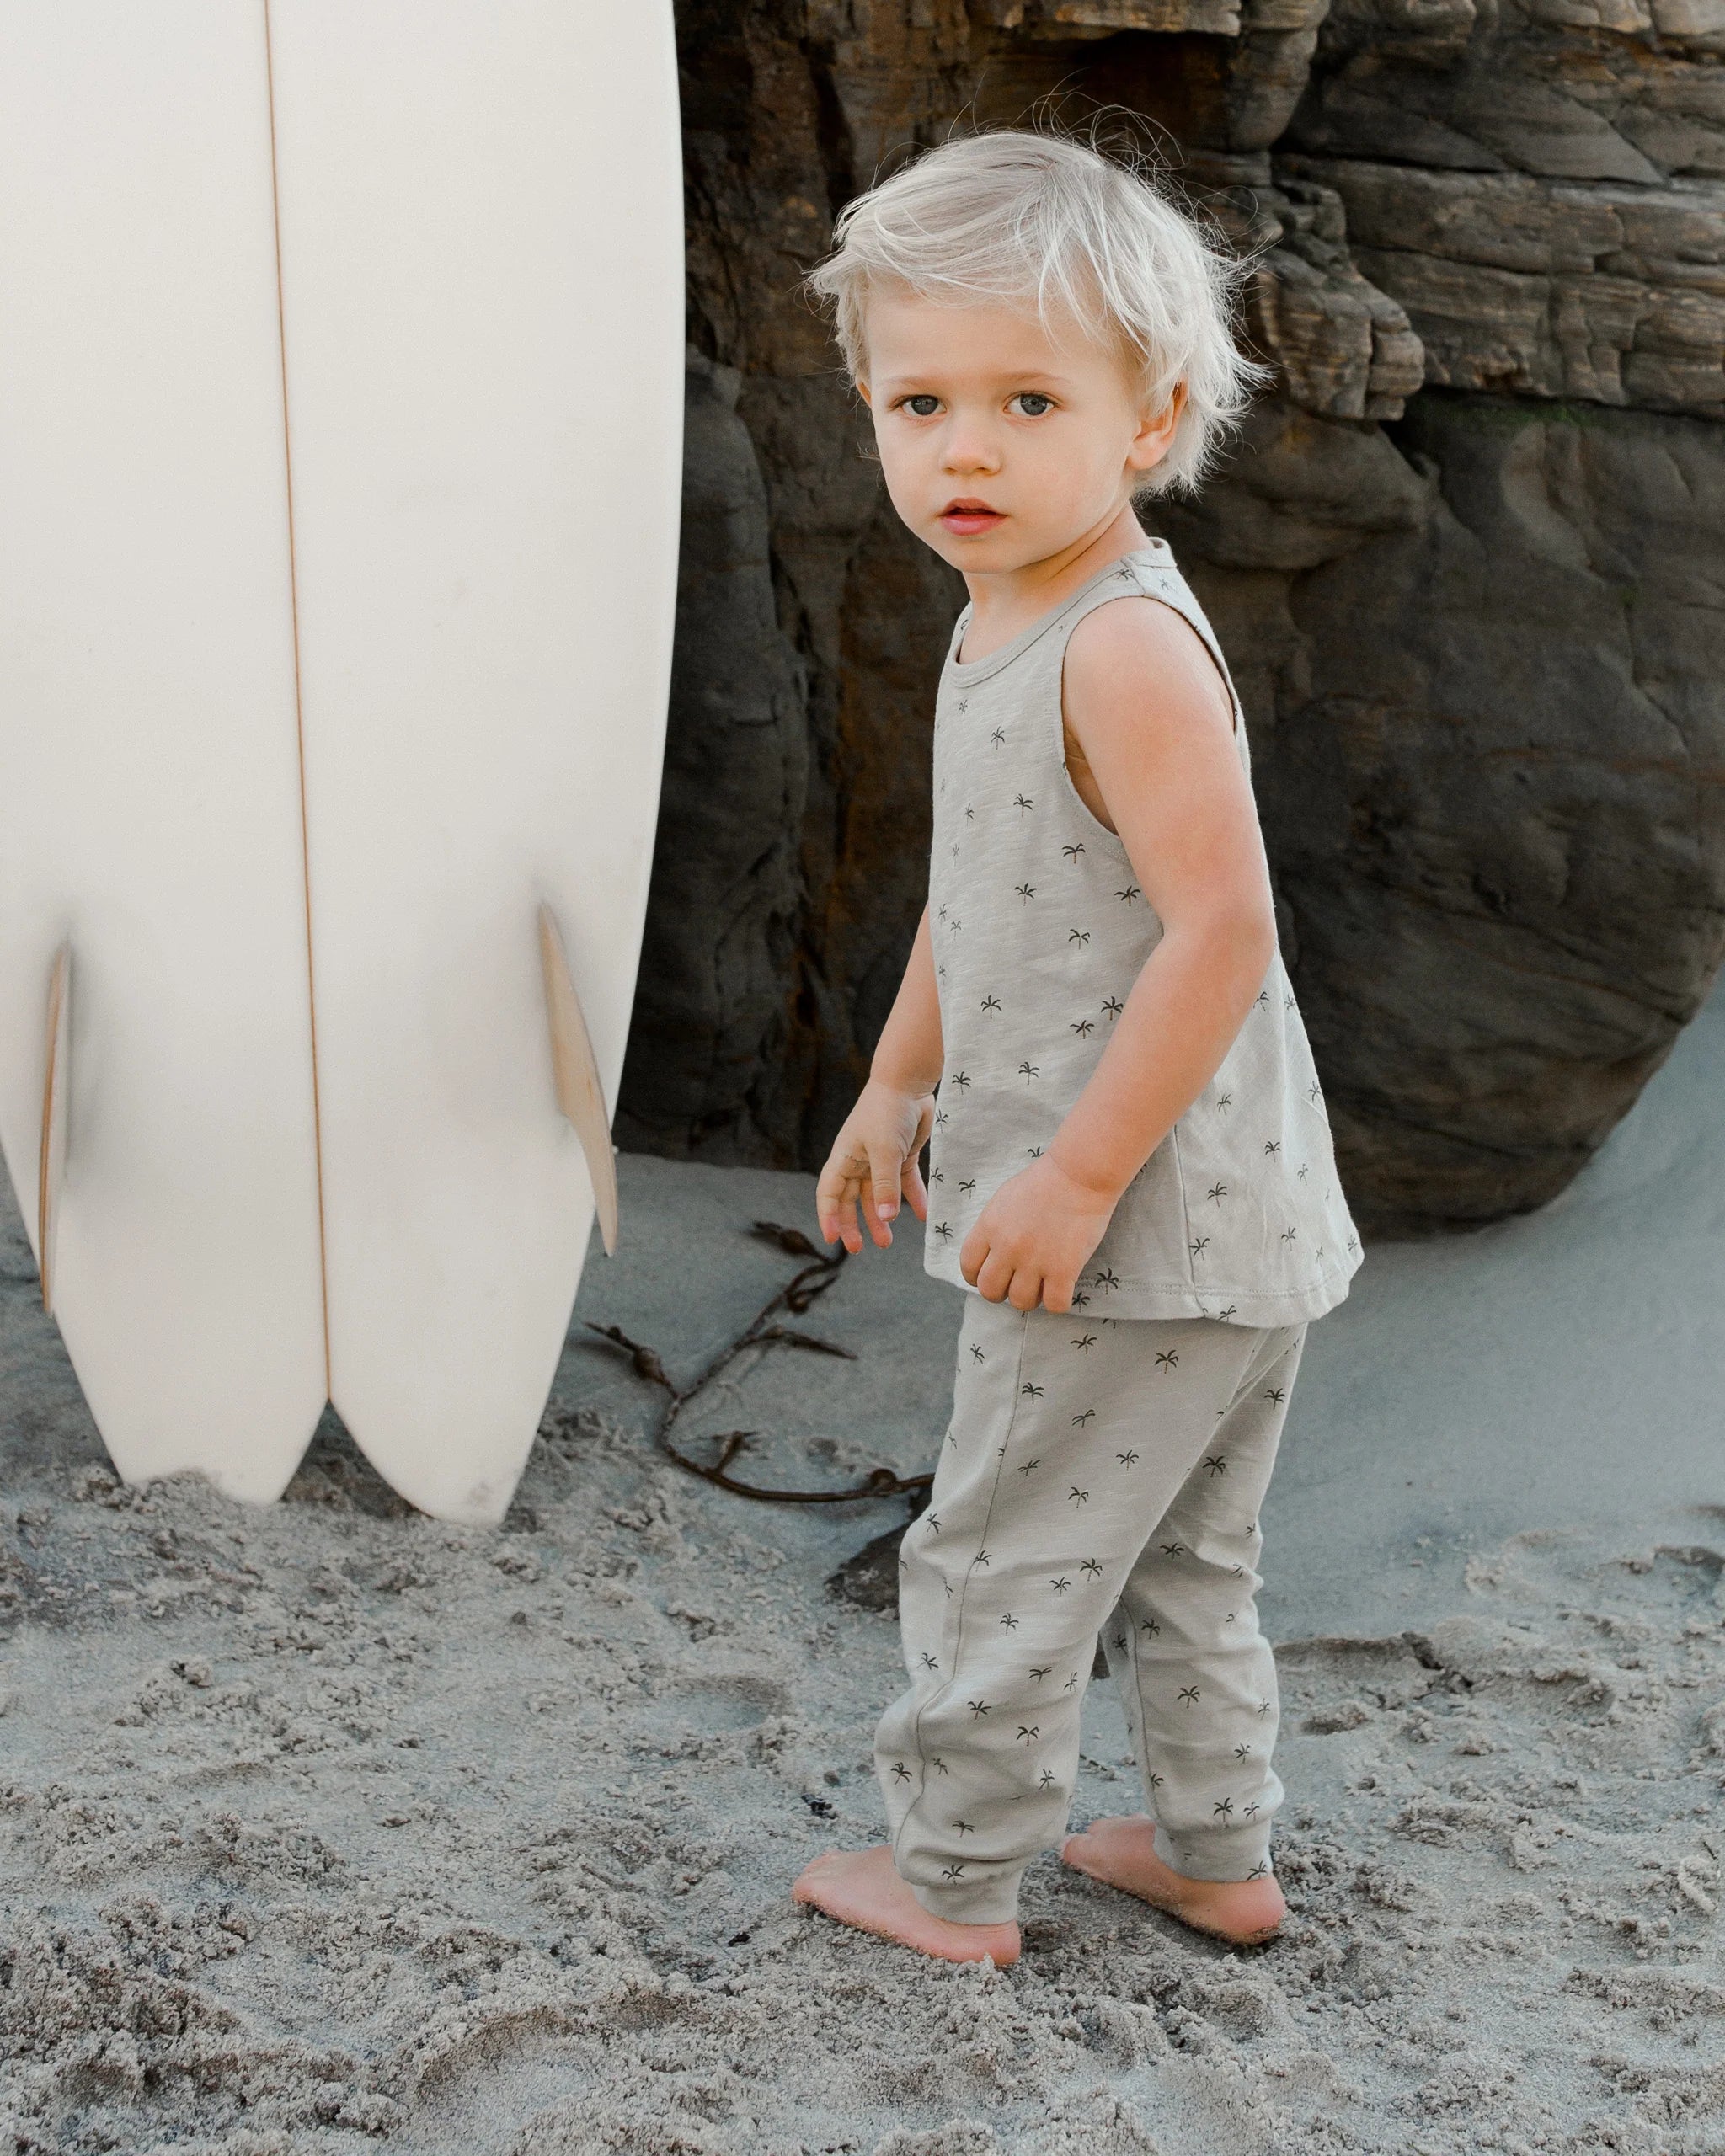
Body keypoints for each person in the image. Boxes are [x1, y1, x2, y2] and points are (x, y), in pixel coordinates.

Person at [788, 127, 1365, 1968]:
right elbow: (981, 894)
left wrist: (1077, 1169)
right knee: (1187, 1554)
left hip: (1135, 1215)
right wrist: (898, 1080)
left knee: (998, 1544)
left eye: (1025, 398)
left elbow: (1223, 928)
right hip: (1224, 1219)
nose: (962, 446)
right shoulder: (1006, 621)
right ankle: (1212, 1850)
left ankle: (951, 1877)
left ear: (1144, 420)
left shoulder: (1117, 647)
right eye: (919, 399)